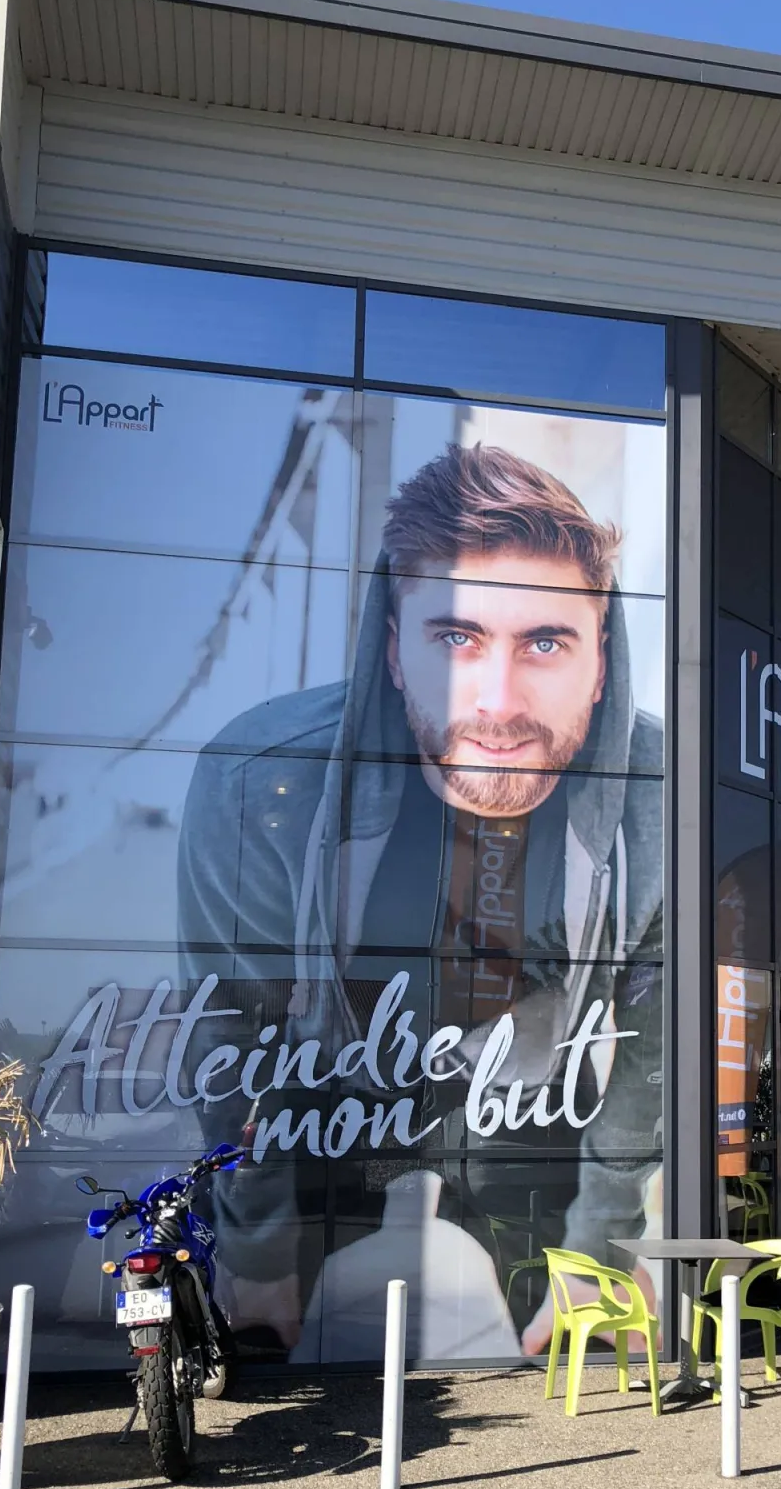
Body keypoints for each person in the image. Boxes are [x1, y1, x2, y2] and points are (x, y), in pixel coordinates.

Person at [177, 442, 663, 1354]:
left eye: (546, 643)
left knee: (602, 1342)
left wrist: (598, 1249)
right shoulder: (257, 781)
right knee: (251, 1343)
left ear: (601, 663)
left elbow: (649, 1063)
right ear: (395, 648)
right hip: (322, 1108)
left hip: (531, 1104)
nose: (498, 701)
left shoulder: (661, 796)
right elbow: (236, 1040)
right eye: (457, 638)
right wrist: (258, 1250)